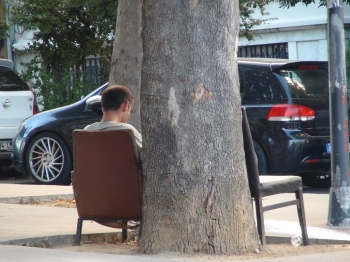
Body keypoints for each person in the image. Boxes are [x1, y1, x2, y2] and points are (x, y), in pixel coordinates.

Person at [84, 84, 143, 164]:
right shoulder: (128, 131)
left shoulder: (86, 131)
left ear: (103, 108)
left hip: (92, 176)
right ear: (125, 106)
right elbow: (147, 158)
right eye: (130, 110)